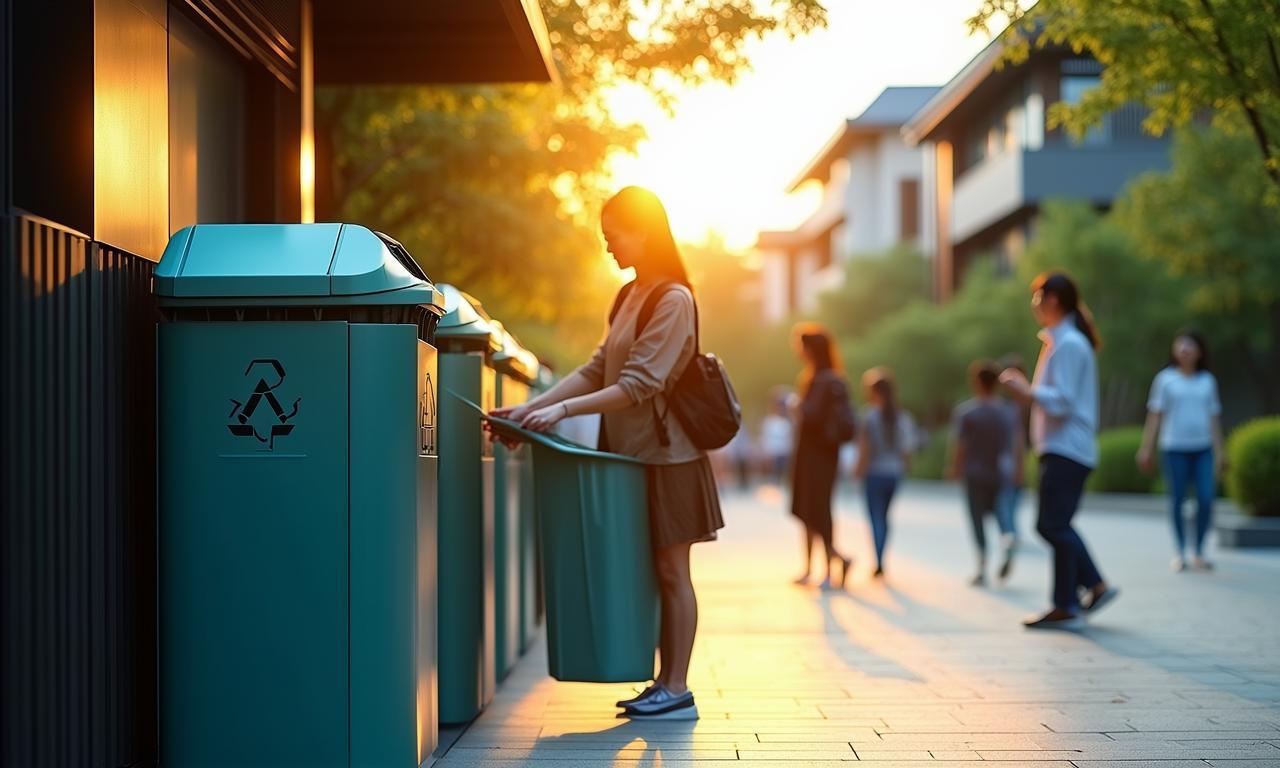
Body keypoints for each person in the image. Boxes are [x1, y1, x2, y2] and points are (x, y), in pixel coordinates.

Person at [490, 186, 722, 720]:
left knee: (671, 570)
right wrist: (531, 409)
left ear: (644, 230)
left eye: (614, 236)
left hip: (670, 458)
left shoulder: (674, 299)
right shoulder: (629, 296)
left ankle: (677, 688)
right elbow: (598, 368)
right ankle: (661, 682)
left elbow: (641, 383)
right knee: (648, 569)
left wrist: (563, 414)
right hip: (629, 455)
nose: (609, 248)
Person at [999, 272, 1119, 630]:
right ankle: (1088, 589)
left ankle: (1069, 602)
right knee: (1055, 523)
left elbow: (1063, 401)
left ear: (1052, 300)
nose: (1034, 304)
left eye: (1037, 297)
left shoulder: (1068, 344)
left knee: (1052, 524)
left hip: (1067, 447)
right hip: (1062, 448)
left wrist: (1025, 390)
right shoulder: (1062, 342)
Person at [1136, 330, 1224, 572]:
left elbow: (1214, 418)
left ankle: (1199, 550)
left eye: (1191, 344)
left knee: (1205, 499)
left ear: (1200, 351)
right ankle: (1180, 551)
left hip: (1203, 449)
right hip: (1174, 448)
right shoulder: (1165, 380)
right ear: (1174, 349)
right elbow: (1155, 416)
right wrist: (1146, 448)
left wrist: (1221, 452)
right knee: (1177, 501)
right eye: (1181, 343)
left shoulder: (1207, 381)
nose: (1185, 348)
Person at [788, 324, 856, 589]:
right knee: (807, 509)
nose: (798, 352)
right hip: (813, 454)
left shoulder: (824, 381)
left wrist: (798, 406)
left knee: (818, 508)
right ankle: (820, 565)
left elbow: (812, 416)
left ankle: (829, 567)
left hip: (820, 455)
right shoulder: (820, 378)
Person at [949, 360, 1017, 586]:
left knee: (977, 520)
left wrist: (955, 469)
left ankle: (981, 566)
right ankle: (1008, 541)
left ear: (977, 382)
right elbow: (1016, 444)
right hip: (1000, 472)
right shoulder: (1007, 412)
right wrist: (1018, 470)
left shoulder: (968, 412)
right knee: (1003, 516)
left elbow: (962, 446)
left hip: (975, 473)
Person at [855, 367, 914, 578]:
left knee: (876, 518)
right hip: (894, 473)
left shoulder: (869, 416)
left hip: (874, 473)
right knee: (885, 517)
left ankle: (878, 559)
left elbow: (865, 449)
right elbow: (907, 451)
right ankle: (882, 557)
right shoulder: (902, 417)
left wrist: (858, 471)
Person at [994, 354, 1029, 551]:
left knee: (1004, 501)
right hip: (1011, 458)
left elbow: (1018, 437)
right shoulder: (1016, 405)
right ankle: (1011, 533)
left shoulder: (1015, 406)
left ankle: (1010, 534)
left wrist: (1019, 465)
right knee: (1010, 500)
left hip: (1008, 459)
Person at [760, 392, 794, 484]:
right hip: (775, 455)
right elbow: (766, 440)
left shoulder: (791, 422)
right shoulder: (770, 422)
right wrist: (767, 454)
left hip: (787, 454)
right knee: (775, 478)